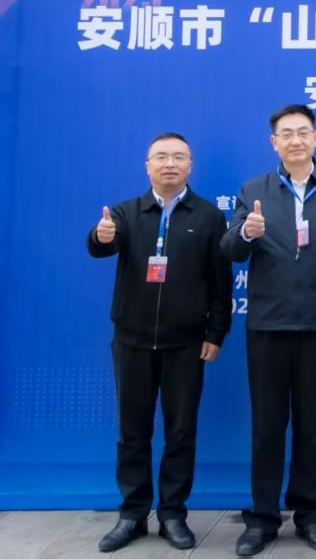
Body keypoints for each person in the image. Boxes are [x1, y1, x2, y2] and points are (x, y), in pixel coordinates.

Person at [221, 104, 316, 556]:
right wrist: (246, 232)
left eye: (304, 132)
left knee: (311, 427)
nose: (296, 140)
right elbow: (230, 250)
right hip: (268, 326)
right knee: (267, 426)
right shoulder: (253, 190)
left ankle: (310, 515)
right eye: (287, 133)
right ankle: (263, 518)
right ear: (274, 143)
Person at [87, 132, 232, 552]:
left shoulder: (208, 216)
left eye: (179, 157)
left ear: (191, 165)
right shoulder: (125, 213)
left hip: (186, 345)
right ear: (147, 165)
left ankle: (172, 514)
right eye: (162, 157)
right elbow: (101, 247)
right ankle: (132, 514)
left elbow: (220, 281)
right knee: (132, 432)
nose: (170, 163)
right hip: (131, 343)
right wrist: (100, 236)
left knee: (180, 432)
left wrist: (216, 332)